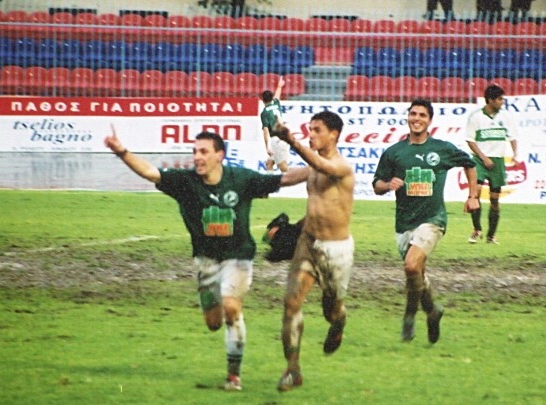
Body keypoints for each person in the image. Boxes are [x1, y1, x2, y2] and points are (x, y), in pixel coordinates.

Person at [104, 126, 308, 392]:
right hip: (206, 262)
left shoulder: (241, 179)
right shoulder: (184, 182)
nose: (197, 157)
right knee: (213, 323)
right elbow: (150, 172)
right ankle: (222, 318)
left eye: (203, 151)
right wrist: (122, 151)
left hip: (239, 258)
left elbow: (284, 179)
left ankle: (233, 377)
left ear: (219, 155)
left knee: (231, 308)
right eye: (195, 151)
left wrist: (317, 168)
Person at [372, 99, 480, 344]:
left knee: (411, 266)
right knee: (417, 274)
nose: (416, 119)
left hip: (433, 220)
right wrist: (387, 185)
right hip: (404, 223)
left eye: (422, 115)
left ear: (430, 120)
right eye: (413, 114)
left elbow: (470, 164)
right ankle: (432, 311)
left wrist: (473, 196)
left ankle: (409, 315)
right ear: (408, 117)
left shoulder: (441, 149)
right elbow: (377, 184)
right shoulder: (394, 152)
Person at [270, 111, 355, 392]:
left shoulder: (341, 166)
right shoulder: (313, 167)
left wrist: (292, 141)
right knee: (291, 303)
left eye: (317, 130)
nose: (312, 134)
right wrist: (250, 184)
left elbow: (319, 164)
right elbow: (287, 178)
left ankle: (339, 321)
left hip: (336, 250)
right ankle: (292, 369)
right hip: (308, 244)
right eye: (310, 129)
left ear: (334, 134)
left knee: (331, 312)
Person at [465, 84, 518, 245]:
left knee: (494, 199)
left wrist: (515, 154)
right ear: (490, 100)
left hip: (497, 161)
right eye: (500, 99)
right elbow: (470, 140)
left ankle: (491, 235)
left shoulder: (506, 117)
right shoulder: (476, 117)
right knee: (475, 193)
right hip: (479, 161)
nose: (502, 102)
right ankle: (477, 229)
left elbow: (512, 137)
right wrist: (484, 158)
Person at [261, 76, 289, 174]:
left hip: (276, 140)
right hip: (283, 138)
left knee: (284, 168)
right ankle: (270, 183)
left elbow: (265, 131)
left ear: (263, 100)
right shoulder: (276, 104)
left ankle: (298, 180)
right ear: (272, 98)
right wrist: (279, 86)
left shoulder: (264, 113)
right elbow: (277, 96)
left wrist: (267, 147)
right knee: (269, 163)